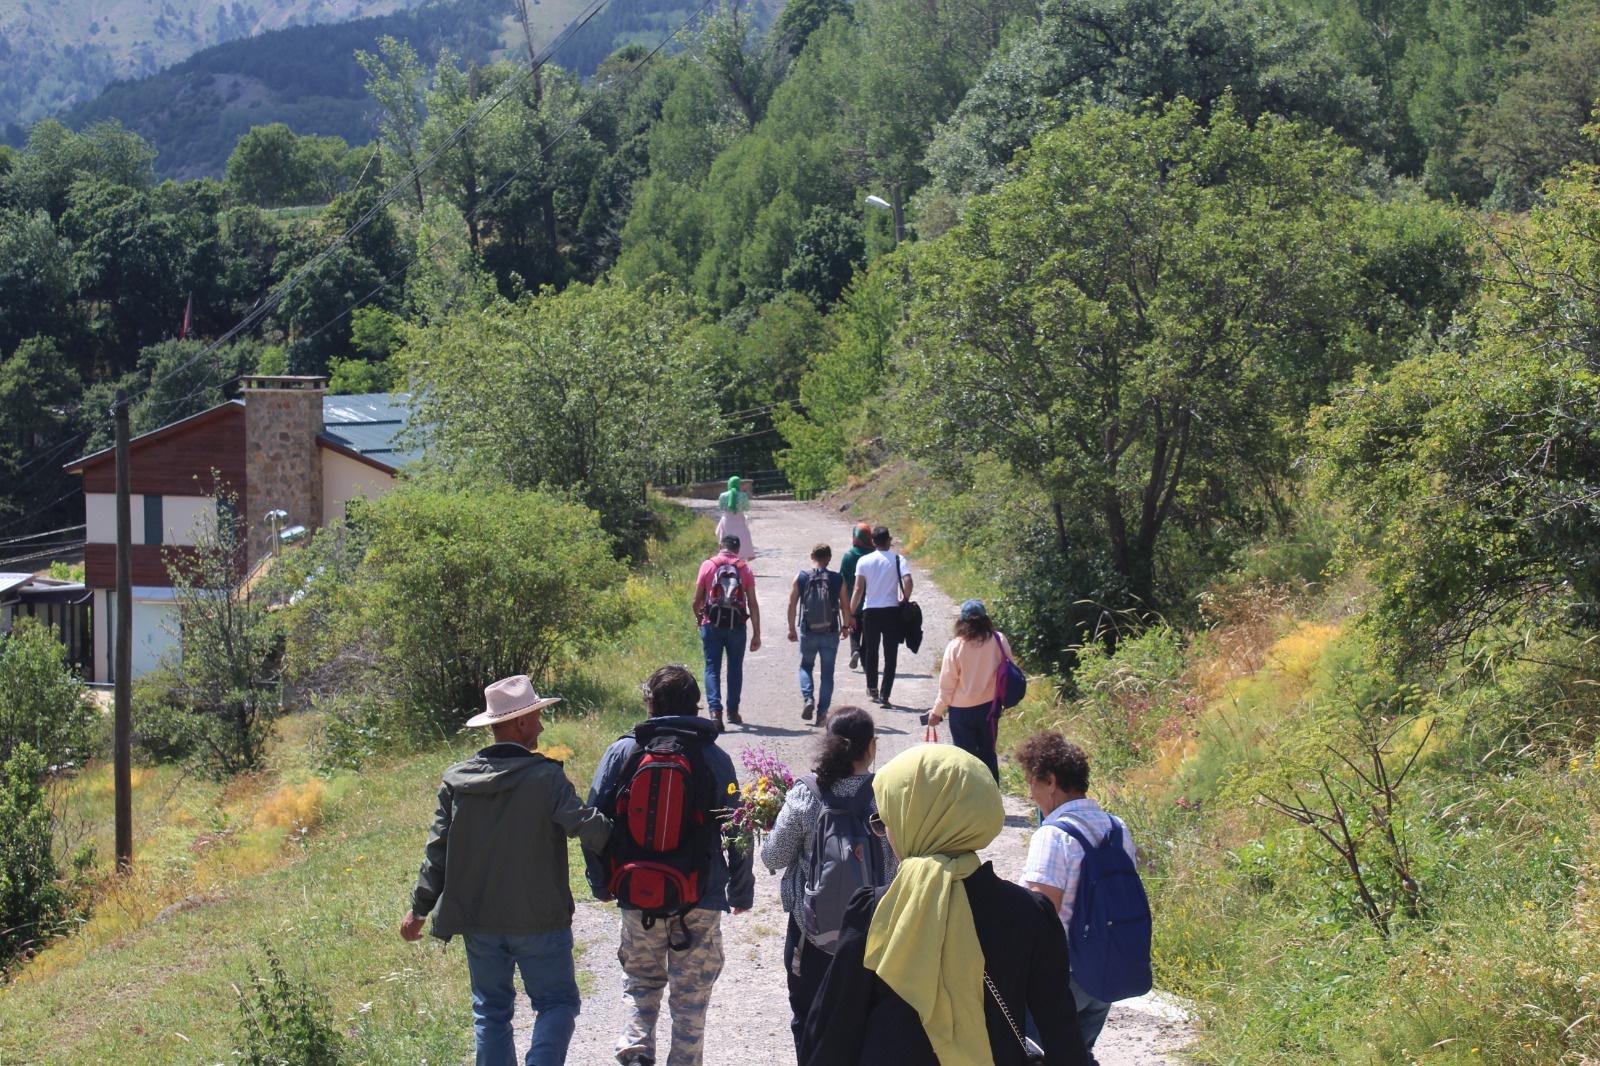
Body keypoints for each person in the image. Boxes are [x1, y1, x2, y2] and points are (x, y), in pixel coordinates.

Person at [798, 744, 1088, 1066]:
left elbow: (833, 1032)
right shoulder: (1031, 914)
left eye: (886, 820)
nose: (885, 833)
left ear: (915, 819)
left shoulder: (878, 911)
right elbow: (1062, 1035)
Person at [400, 675, 612, 1066]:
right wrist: (614, 825)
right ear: (519, 723)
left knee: (491, 1011)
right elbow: (589, 829)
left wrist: (420, 907)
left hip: (478, 919)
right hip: (540, 920)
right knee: (557, 1001)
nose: (542, 726)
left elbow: (437, 852)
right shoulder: (546, 777)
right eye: (537, 716)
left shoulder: (457, 780)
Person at [585, 665, 755, 1066]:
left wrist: (601, 881)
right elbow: (737, 829)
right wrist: (740, 889)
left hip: (636, 892)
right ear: (695, 706)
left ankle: (636, 1047)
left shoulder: (624, 751)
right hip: (701, 894)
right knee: (691, 998)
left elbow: (593, 821)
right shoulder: (714, 756)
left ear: (650, 703)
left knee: (641, 983)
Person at [760, 707, 897, 1053]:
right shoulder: (889, 794)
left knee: (809, 1021)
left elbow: (773, 857)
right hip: (875, 935)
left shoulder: (806, 794)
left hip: (811, 935)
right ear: (871, 747)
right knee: (867, 1022)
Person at [1016, 732, 1140, 1064]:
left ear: (1051, 781)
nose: (1030, 793)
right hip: (1108, 971)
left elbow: (1040, 916)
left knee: (1034, 1055)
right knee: (1079, 1054)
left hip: (1064, 978)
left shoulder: (1054, 836)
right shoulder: (1118, 829)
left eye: (1032, 782)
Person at [927, 599, 1015, 782]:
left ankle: (968, 801)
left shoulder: (956, 646)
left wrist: (937, 712)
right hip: (990, 709)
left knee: (964, 758)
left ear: (962, 621)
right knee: (988, 754)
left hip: (961, 712)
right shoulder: (998, 640)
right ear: (986, 619)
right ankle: (991, 800)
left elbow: (947, 686)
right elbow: (1010, 668)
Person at [692, 534, 762, 730]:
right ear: (738, 549)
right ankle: (733, 710)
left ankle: (715, 712)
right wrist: (757, 633)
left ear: (720, 546)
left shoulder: (708, 565)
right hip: (737, 625)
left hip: (711, 623)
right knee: (735, 667)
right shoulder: (744, 568)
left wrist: (700, 620)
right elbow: (753, 604)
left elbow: (696, 601)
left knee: (712, 667)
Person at [787, 542, 853, 722]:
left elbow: (792, 604)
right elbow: (845, 606)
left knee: (806, 666)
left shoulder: (801, 577)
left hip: (808, 631)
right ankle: (822, 714)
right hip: (830, 632)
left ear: (812, 556)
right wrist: (845, 627)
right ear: (829, 558)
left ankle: (808, 698)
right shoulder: (837, 579)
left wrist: (792, 628)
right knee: (827, 674)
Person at [849, 526, 912, 707]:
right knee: (890, 654)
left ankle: (872, 689)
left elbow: (858, 589)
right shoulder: (898, 559)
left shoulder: (864, 561)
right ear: (889, 540)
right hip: (892, 610)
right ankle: (885, 695)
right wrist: (904, 598)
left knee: (871, 651)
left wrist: (851, 613)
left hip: (870, 611)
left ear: (873, 542)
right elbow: (908, 581)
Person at [839, 523, 874, 670]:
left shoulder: (849, 555)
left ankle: (855, 650)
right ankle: (866, 662)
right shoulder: (873, 554)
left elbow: (842, 579)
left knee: (853, 627)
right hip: (871, 599)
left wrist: (841, 601)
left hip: (852, 598)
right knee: (868, 630)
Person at [715, 475, 754, 561]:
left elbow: (721, 507)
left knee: (726, 539)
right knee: (743, 539)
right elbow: (747, 507)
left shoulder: (723, 495)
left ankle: (726, 559)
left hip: (727, 520)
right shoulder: (743, 495)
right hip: (739, 519)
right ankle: (741, 560)